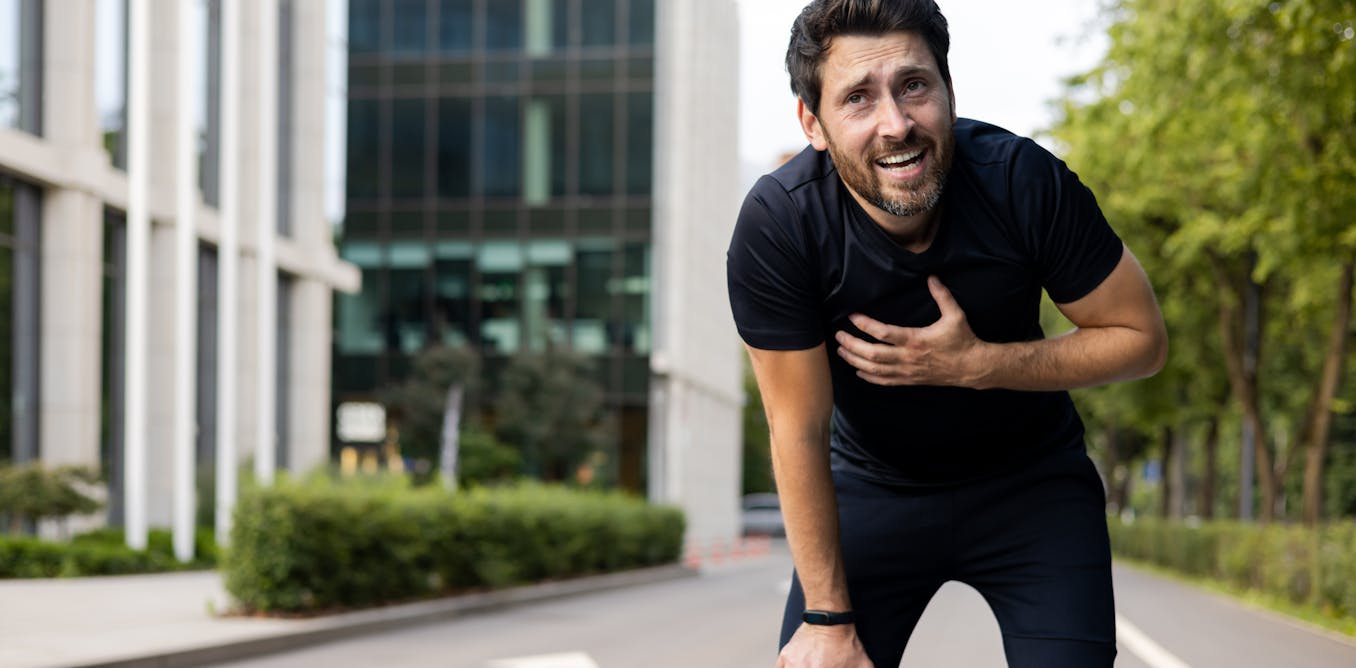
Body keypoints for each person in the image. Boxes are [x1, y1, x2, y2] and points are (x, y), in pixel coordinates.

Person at [725, 1, 1168, 666]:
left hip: (1033, 486)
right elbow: (797, 428)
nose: (896, 124)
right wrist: (826, 618)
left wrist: (978, 365)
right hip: (872, 488)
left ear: (949, 89)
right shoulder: (781, 226)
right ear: (812, 122)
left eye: (914, 85)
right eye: (858, 98)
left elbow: (1140, 338)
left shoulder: (1021, 181)